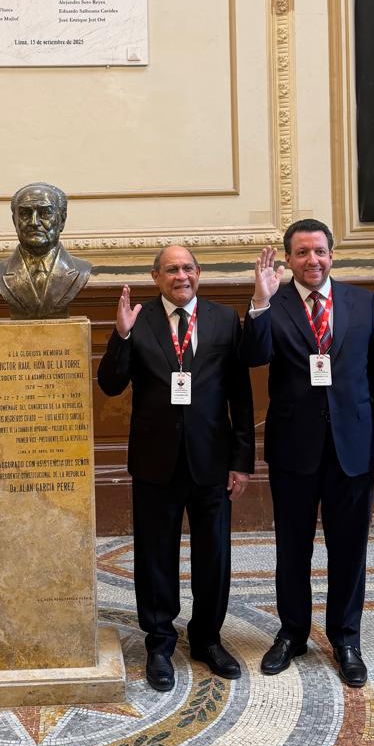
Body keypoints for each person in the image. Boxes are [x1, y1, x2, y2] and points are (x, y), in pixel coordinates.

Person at [242, 218, 374, 687]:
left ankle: (346, 639)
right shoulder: (273, 302)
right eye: (302, 253)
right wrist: (259, 301)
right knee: (292, 548)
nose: (312, 260)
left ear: (332, 255)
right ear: (289, 259)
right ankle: (292, 633)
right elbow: (253, 356)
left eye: (319, 251)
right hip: (294, 449)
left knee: (349, 549)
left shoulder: (362, 302)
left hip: (354, 447)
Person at [97, 245, 254, 691]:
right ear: (156, 277)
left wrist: (241, 460)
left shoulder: (224, 320)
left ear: (198, 272)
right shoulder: (139, 319)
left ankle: (207, 638)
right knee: (155, 555)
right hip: (155, 461)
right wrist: (120, 336)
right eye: (171, 270)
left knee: (213, 555)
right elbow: (110, 384)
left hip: (212, 460)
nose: (181, 276)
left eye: (187, 268)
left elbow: (240, 395)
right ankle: (160, 643)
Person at [0, 182, 91, 318]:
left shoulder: (81, 270)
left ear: (62, 220)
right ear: (14, 221)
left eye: (45, 213)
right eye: (25, 214)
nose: (34, 222)